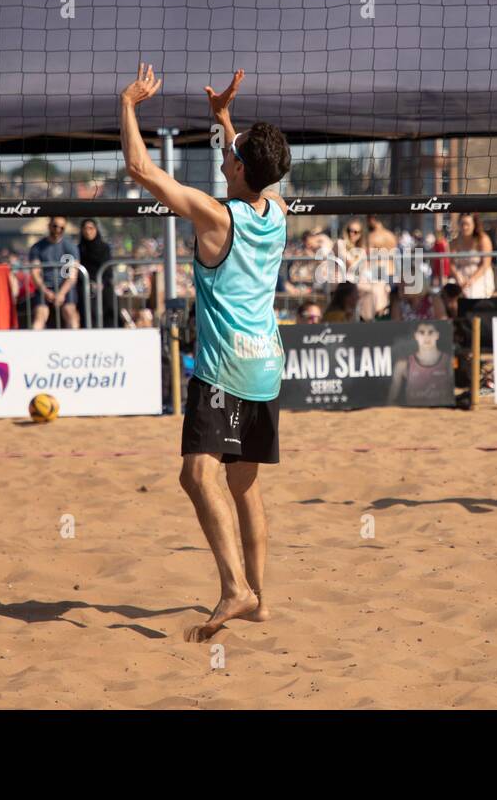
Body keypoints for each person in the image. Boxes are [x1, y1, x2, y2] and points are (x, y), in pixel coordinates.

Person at [121, 63, 290, 641]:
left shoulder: (216, 218)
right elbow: (255, 172)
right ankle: (261, 600)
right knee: (243, 485)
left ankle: (235, 588)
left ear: (241, 168)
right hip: (267, 366)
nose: (223, 156)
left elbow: (140, 168)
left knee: (197, 476)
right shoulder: (279, 214)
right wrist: (223, 118)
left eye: (230, 153)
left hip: (224, 369)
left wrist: (128, 104)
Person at [29, 217, 81, 329]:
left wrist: (61, 293)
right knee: (40, 315)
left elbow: (72, 275)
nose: (58, 230)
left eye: (62, 228)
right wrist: (46, 291)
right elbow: (35, 273)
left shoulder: (71, 247)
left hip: (65, 287)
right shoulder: (37, 248)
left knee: (71, 314)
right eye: (55, 226)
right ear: (49, 226)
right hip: (45, 287)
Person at [388, 320, 450, 405]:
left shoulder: (448, 362)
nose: (426, 337)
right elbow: (391, 400)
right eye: (422, 332)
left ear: (437, 335)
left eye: (430, 332)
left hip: (442, 415)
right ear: (416, 336)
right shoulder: (402, 365)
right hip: (412, 416)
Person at [78, 218, 117, 327]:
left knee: (109, 308)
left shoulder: (104, 248)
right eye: (85, 229)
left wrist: (101, 283)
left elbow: (108, 269)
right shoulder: (80, 249)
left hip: (103, 285)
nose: (88, 231)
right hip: (86, 286)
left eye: (91, 228)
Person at [452, 213, 494, 299]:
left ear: (474, 224)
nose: (464, 227)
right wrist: (458, 277)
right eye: (462, 224)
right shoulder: (455, 242)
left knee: (471, 294)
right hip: (460, 278)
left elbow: (486, 264)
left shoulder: (483, 239)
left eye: (467, 224)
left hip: (480, 277)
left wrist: (471, 280)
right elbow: (451, 263)